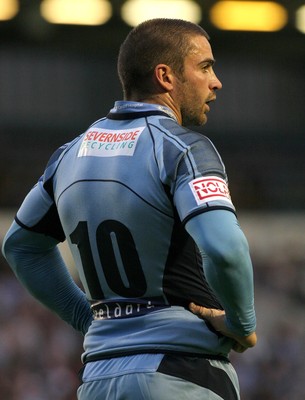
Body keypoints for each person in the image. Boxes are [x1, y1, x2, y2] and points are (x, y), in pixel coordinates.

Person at [2, 18, 257, 400]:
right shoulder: (183, 148)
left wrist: (86, 318)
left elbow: (21, 247)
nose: (216, 80)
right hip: (180, 372)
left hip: (99, 379)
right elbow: (224, 249)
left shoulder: (70, 155)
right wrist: (241, 322)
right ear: (165, 76)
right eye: (204, 67)